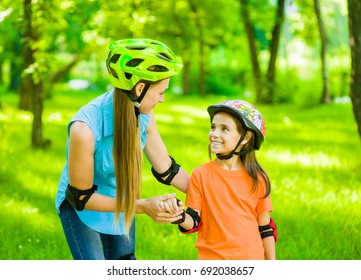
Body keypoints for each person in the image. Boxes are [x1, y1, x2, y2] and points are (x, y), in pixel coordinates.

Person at [55, 38, 189, 260]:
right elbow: (82, 197)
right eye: (161, 92)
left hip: (120, 197)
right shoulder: (84, 129)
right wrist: (144, 206)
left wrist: (212, 193)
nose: (163, 99)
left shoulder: (144, 115)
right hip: (82, 207)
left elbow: (167, 169)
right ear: (139, 88)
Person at [165, 99, 277, 260]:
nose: (214, 134)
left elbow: (265, 227)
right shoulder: (201, 174)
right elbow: (194, 221)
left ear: (246, 138)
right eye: (213, 127)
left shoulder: (257, 178)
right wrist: (179, 215)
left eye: (224, 129)